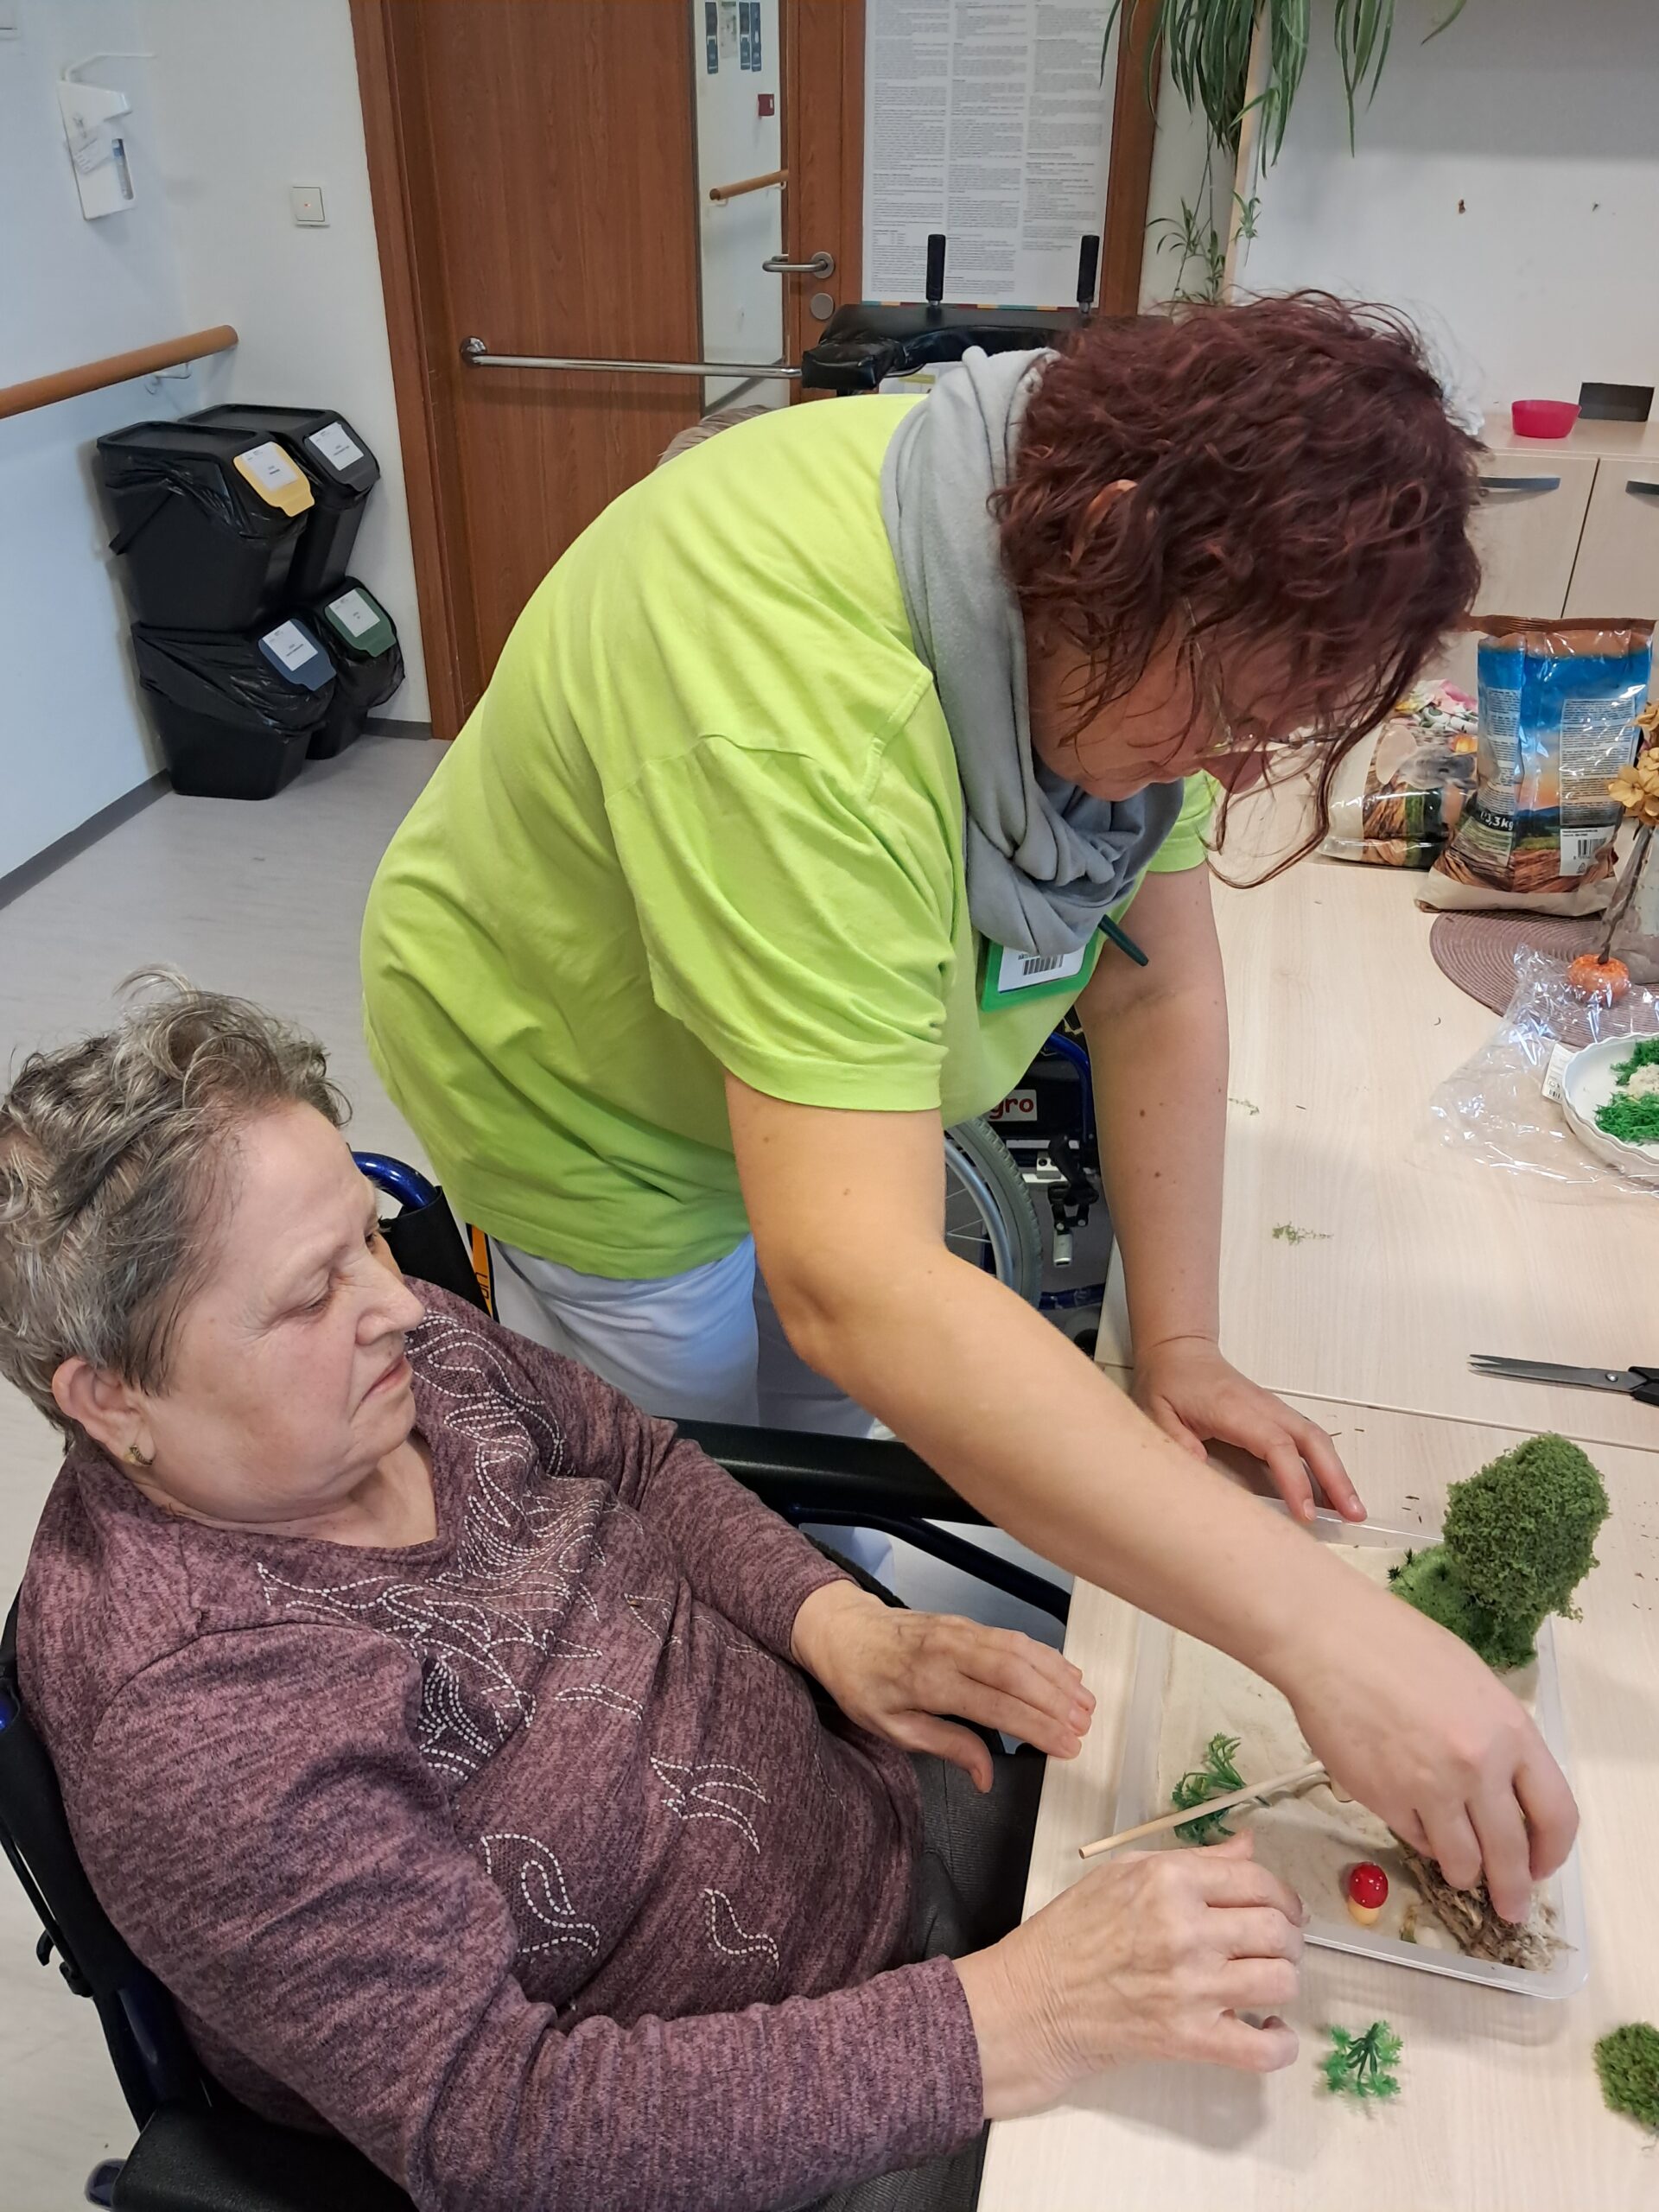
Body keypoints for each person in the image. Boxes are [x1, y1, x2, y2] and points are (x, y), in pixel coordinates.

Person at [362, 294, 1573, 1909]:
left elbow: (1152, 985)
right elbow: (853, 1283)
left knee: (839, 1404)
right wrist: (1325, 1636)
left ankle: (853, 1626)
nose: (1223, 771)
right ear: (1110, 544)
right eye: (1222, 717)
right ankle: (784, 1787)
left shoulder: (1119, 607)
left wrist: (1183, 1344)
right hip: (585, 1103)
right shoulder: (803, 703)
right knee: (723, 1502)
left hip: (787, 1071)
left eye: (1269, 733)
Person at [4, 982, 1315, 2212]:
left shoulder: (393, 1367)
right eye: (312, 1293)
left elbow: (629, 1459)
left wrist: (833, 1625)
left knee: (1305, 1916)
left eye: (369, 1235)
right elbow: (499, 2127)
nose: (400, 1304)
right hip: (780, 2128)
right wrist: (1016, 2020)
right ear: (111, 1399)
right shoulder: (197, 1724)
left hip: (881, 1828)